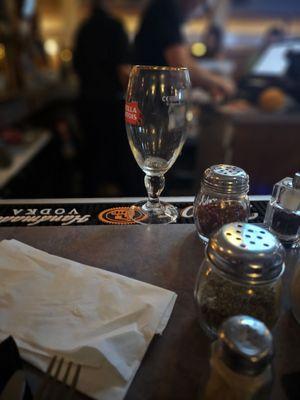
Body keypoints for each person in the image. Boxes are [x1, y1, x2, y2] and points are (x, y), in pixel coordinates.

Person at [73, 0, 137, 196]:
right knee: (119, 157)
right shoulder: (116, 26)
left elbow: (76, 66)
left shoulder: (83, 28)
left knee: (91, 156)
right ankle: (122, 206)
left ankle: (88, 204)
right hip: (112, 103)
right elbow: (123, 69)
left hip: (88, 102)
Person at [134, 0, 235, 98]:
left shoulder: (167, 8)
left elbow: (186, 61)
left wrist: (210, 83)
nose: (197, 11)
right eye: (200, 3)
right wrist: (219, 82)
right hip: (150, 99)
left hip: (152, 95)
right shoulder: (167, 7)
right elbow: (181, 67)